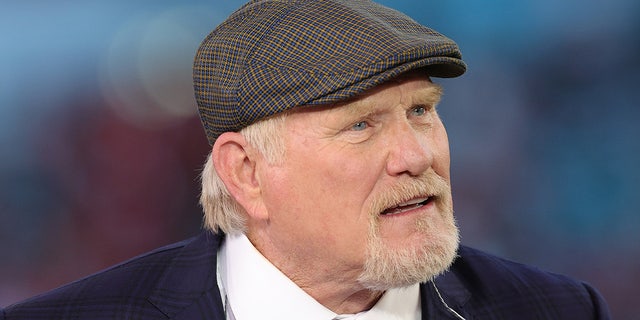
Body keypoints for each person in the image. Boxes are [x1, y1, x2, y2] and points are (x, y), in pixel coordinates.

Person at [1, 0, 611, 319]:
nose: (416, 154)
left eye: (422, 111)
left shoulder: (558, 310)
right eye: (361, 125)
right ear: (245, 173)